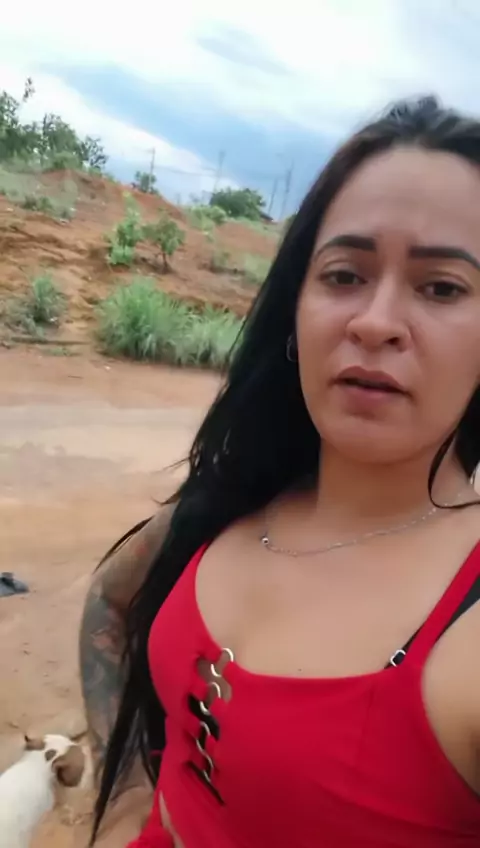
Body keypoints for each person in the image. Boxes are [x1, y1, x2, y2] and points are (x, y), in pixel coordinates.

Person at [80, 95, 480, 848]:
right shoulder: (242, 498)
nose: (374, 321)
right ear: (297, 307)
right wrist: (125, 794)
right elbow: (109, 597)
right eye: (344, 275)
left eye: (442, 288)